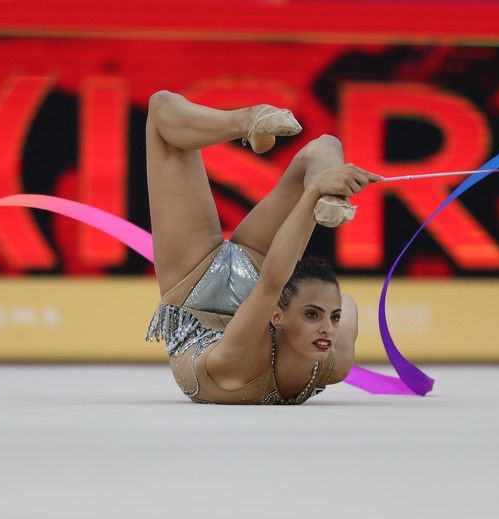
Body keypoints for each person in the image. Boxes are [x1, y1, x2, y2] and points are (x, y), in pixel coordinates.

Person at [143, 90, 381, 404]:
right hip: (257, 273)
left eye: (325, 317)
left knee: (162, 109)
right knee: (325, 147)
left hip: (193, 290)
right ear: (278, 316)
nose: (327, 328)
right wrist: (325, 186)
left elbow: (272, 283)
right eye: (317, 315)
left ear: (276, 315)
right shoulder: (333, 364)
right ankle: (329, 198)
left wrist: (311, 195)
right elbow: (345, 303)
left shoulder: (236, 362)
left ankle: (247, 123)